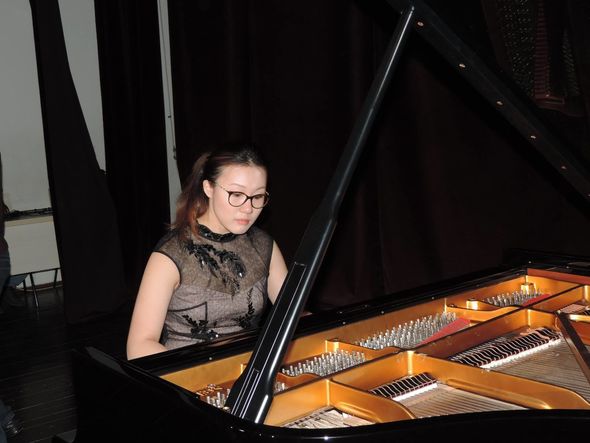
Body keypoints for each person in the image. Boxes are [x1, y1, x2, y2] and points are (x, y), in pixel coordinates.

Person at [126, 143, 288, 359]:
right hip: (187, 372)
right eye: (236, 194)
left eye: (257, 197)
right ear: (208, 188)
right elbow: (138, 347)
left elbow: (294, 315)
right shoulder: (171, 255)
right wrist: (204, 373)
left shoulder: (263, 245)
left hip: (248, 368)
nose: (248, 208)